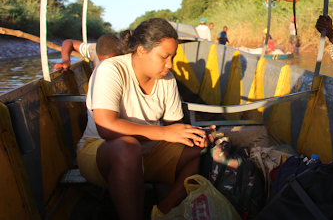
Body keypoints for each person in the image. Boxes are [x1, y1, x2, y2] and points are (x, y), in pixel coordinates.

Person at [75, 18, 215, 220]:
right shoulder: (111, 70)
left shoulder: (166, 79)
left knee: (206, 150)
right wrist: (165, 133)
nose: (170, 64)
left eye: (172, 57)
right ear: (141, 50)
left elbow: (173, 127)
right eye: (164, 57)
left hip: (150, 153)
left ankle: (163, 209)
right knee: (127, 147)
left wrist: (195, 135)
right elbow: (106, 127)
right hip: (103, 153)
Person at [54, 34, 119, 71]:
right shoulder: (94, 49)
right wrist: (66, 60)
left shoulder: (126, 54)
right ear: (98, 54)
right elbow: (68, 42)